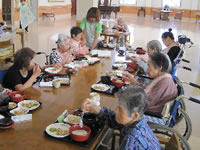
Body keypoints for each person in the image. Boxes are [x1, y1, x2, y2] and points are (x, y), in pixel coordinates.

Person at [82, 86, 161, 150]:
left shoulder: (132, 141)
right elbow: (113, 119)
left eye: (120, 109)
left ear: (135, 116)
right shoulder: (136, 122)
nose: (115, 110)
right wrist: (95, 108)